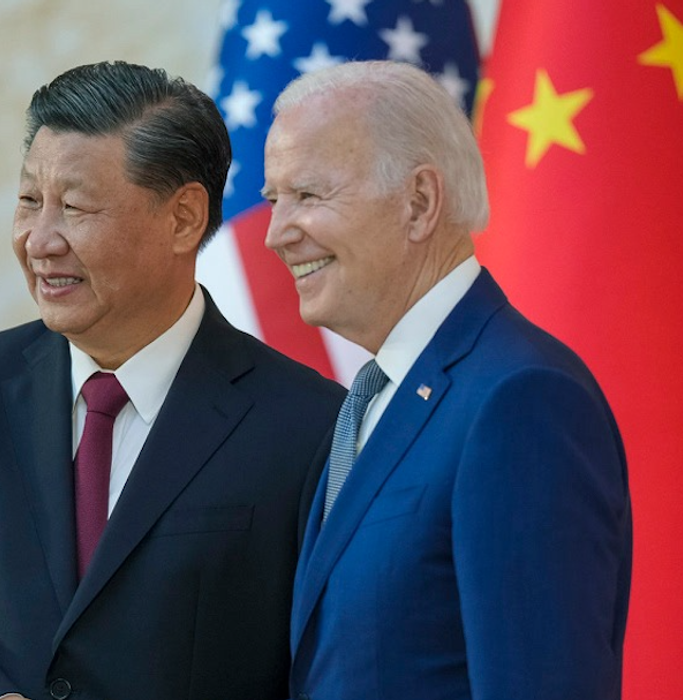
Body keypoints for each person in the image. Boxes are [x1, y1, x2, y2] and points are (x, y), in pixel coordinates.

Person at [0, 61, 344, 700]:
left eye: (75, 207)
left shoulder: (308, 426)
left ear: (184, 218)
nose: (39, 241)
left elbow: (325, 659)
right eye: (30, 201)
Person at [262, 60, 632, 700]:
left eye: (309, 196)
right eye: (275, 199)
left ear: (419, 203)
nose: (275, 234)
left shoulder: (520, 401)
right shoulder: (372, 398)